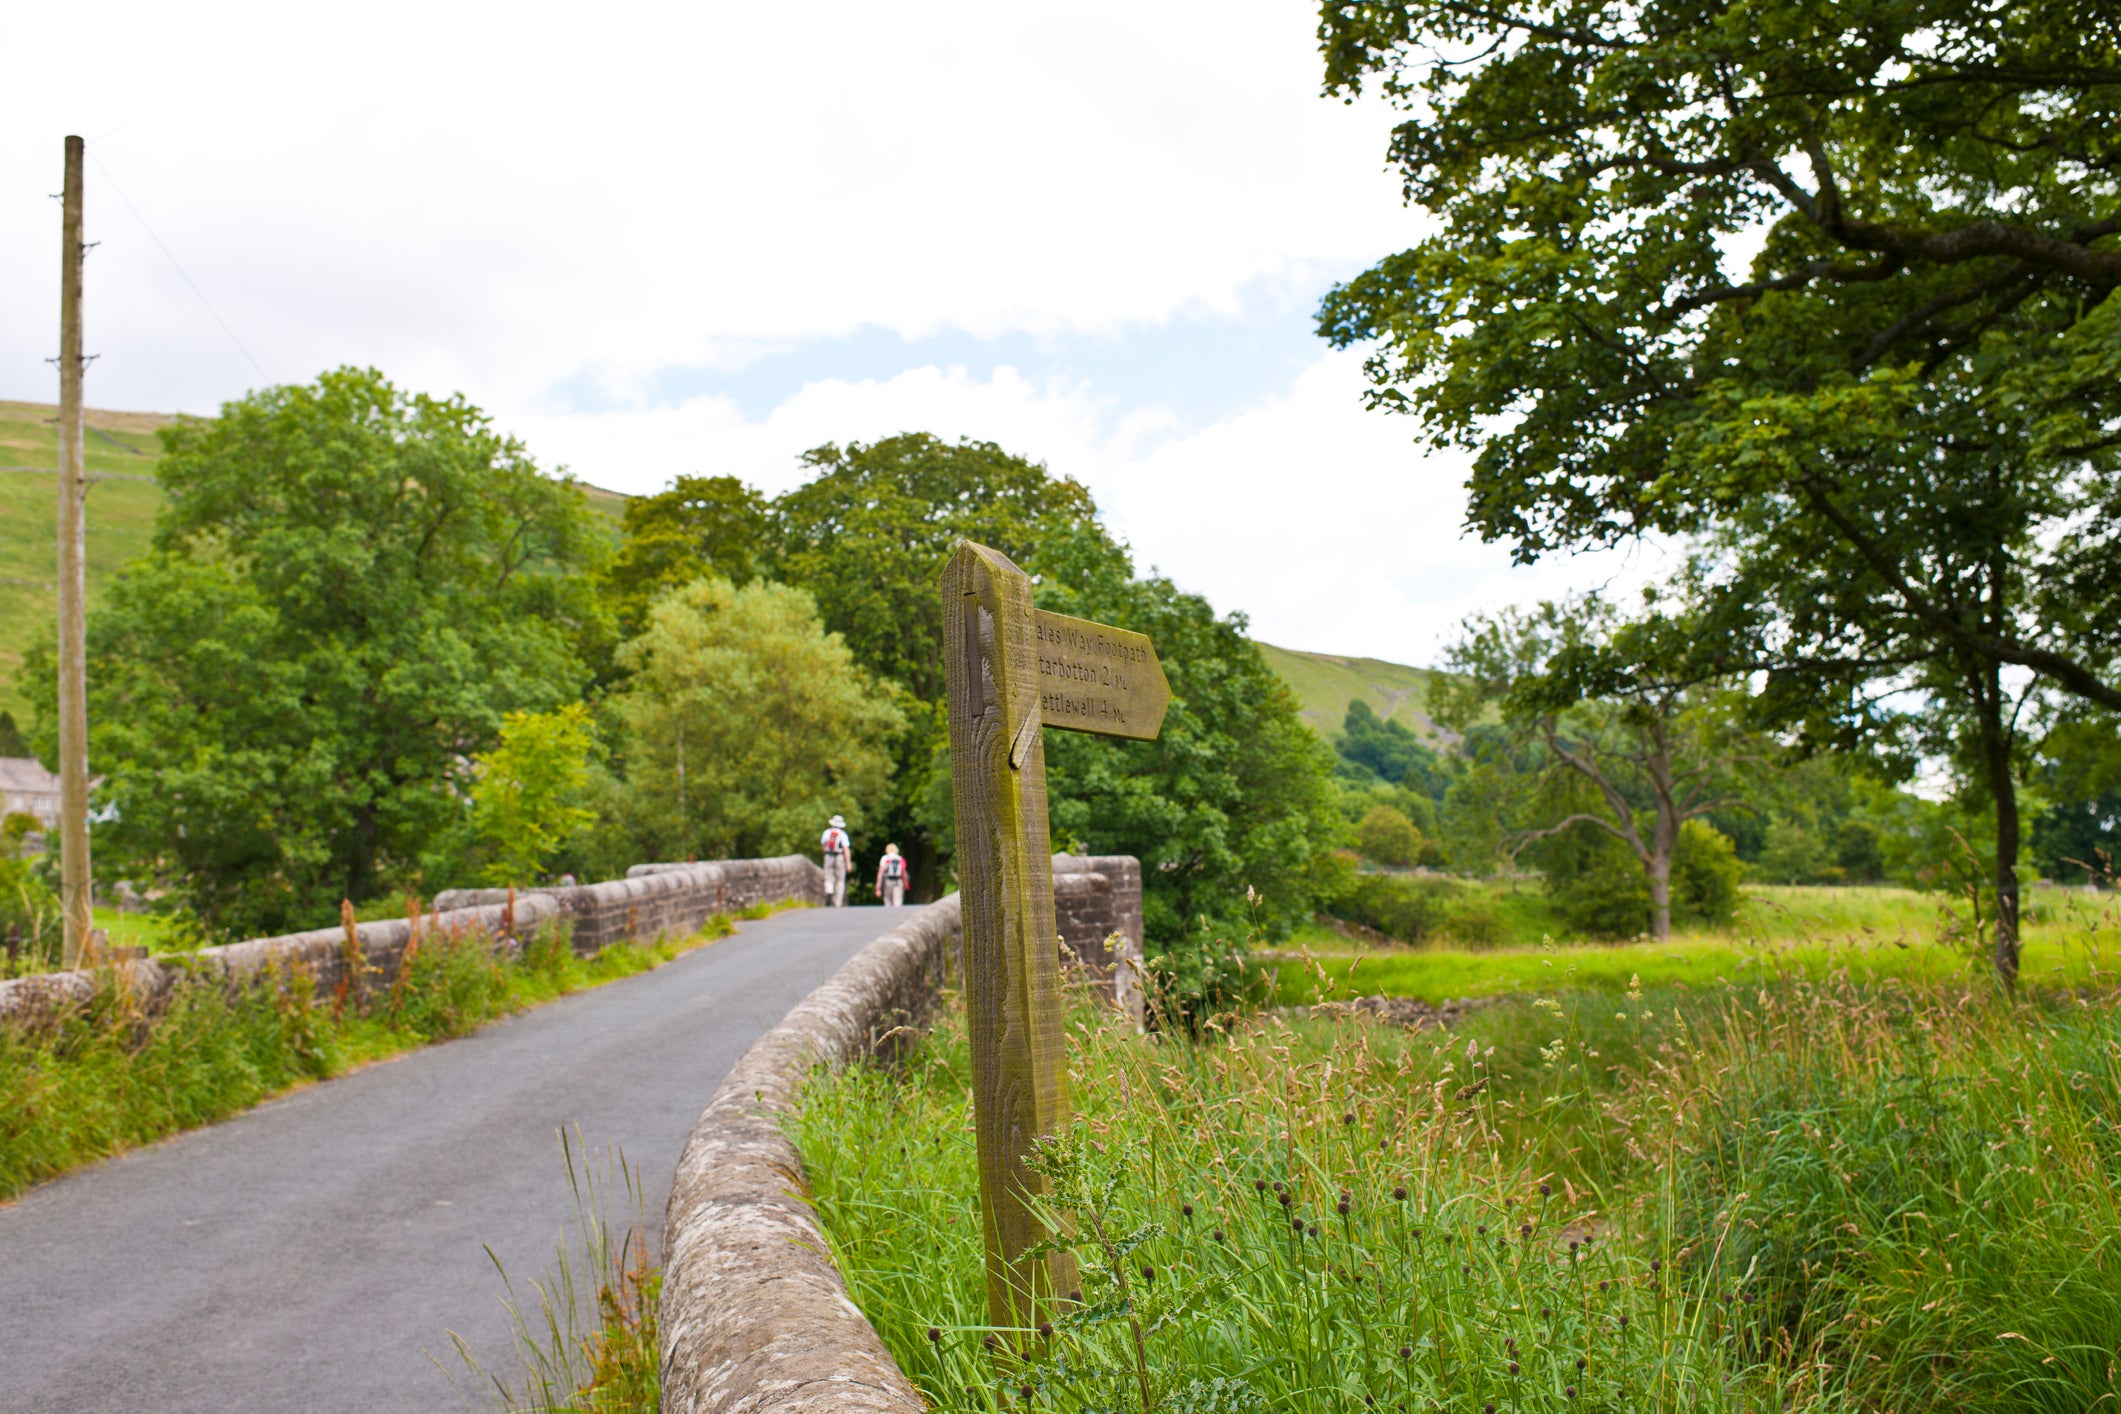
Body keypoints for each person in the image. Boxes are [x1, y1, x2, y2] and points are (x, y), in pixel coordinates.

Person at [820, 814, 851, 907]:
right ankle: (837, 902)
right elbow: (846, 849)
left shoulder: (827, 832)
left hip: (828, 855)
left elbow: (823, 846)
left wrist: (825, 854)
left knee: (828, 876)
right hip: (839, 857)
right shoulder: (843, 834)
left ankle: (829, 889)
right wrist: (848, 862)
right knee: (840, 880)